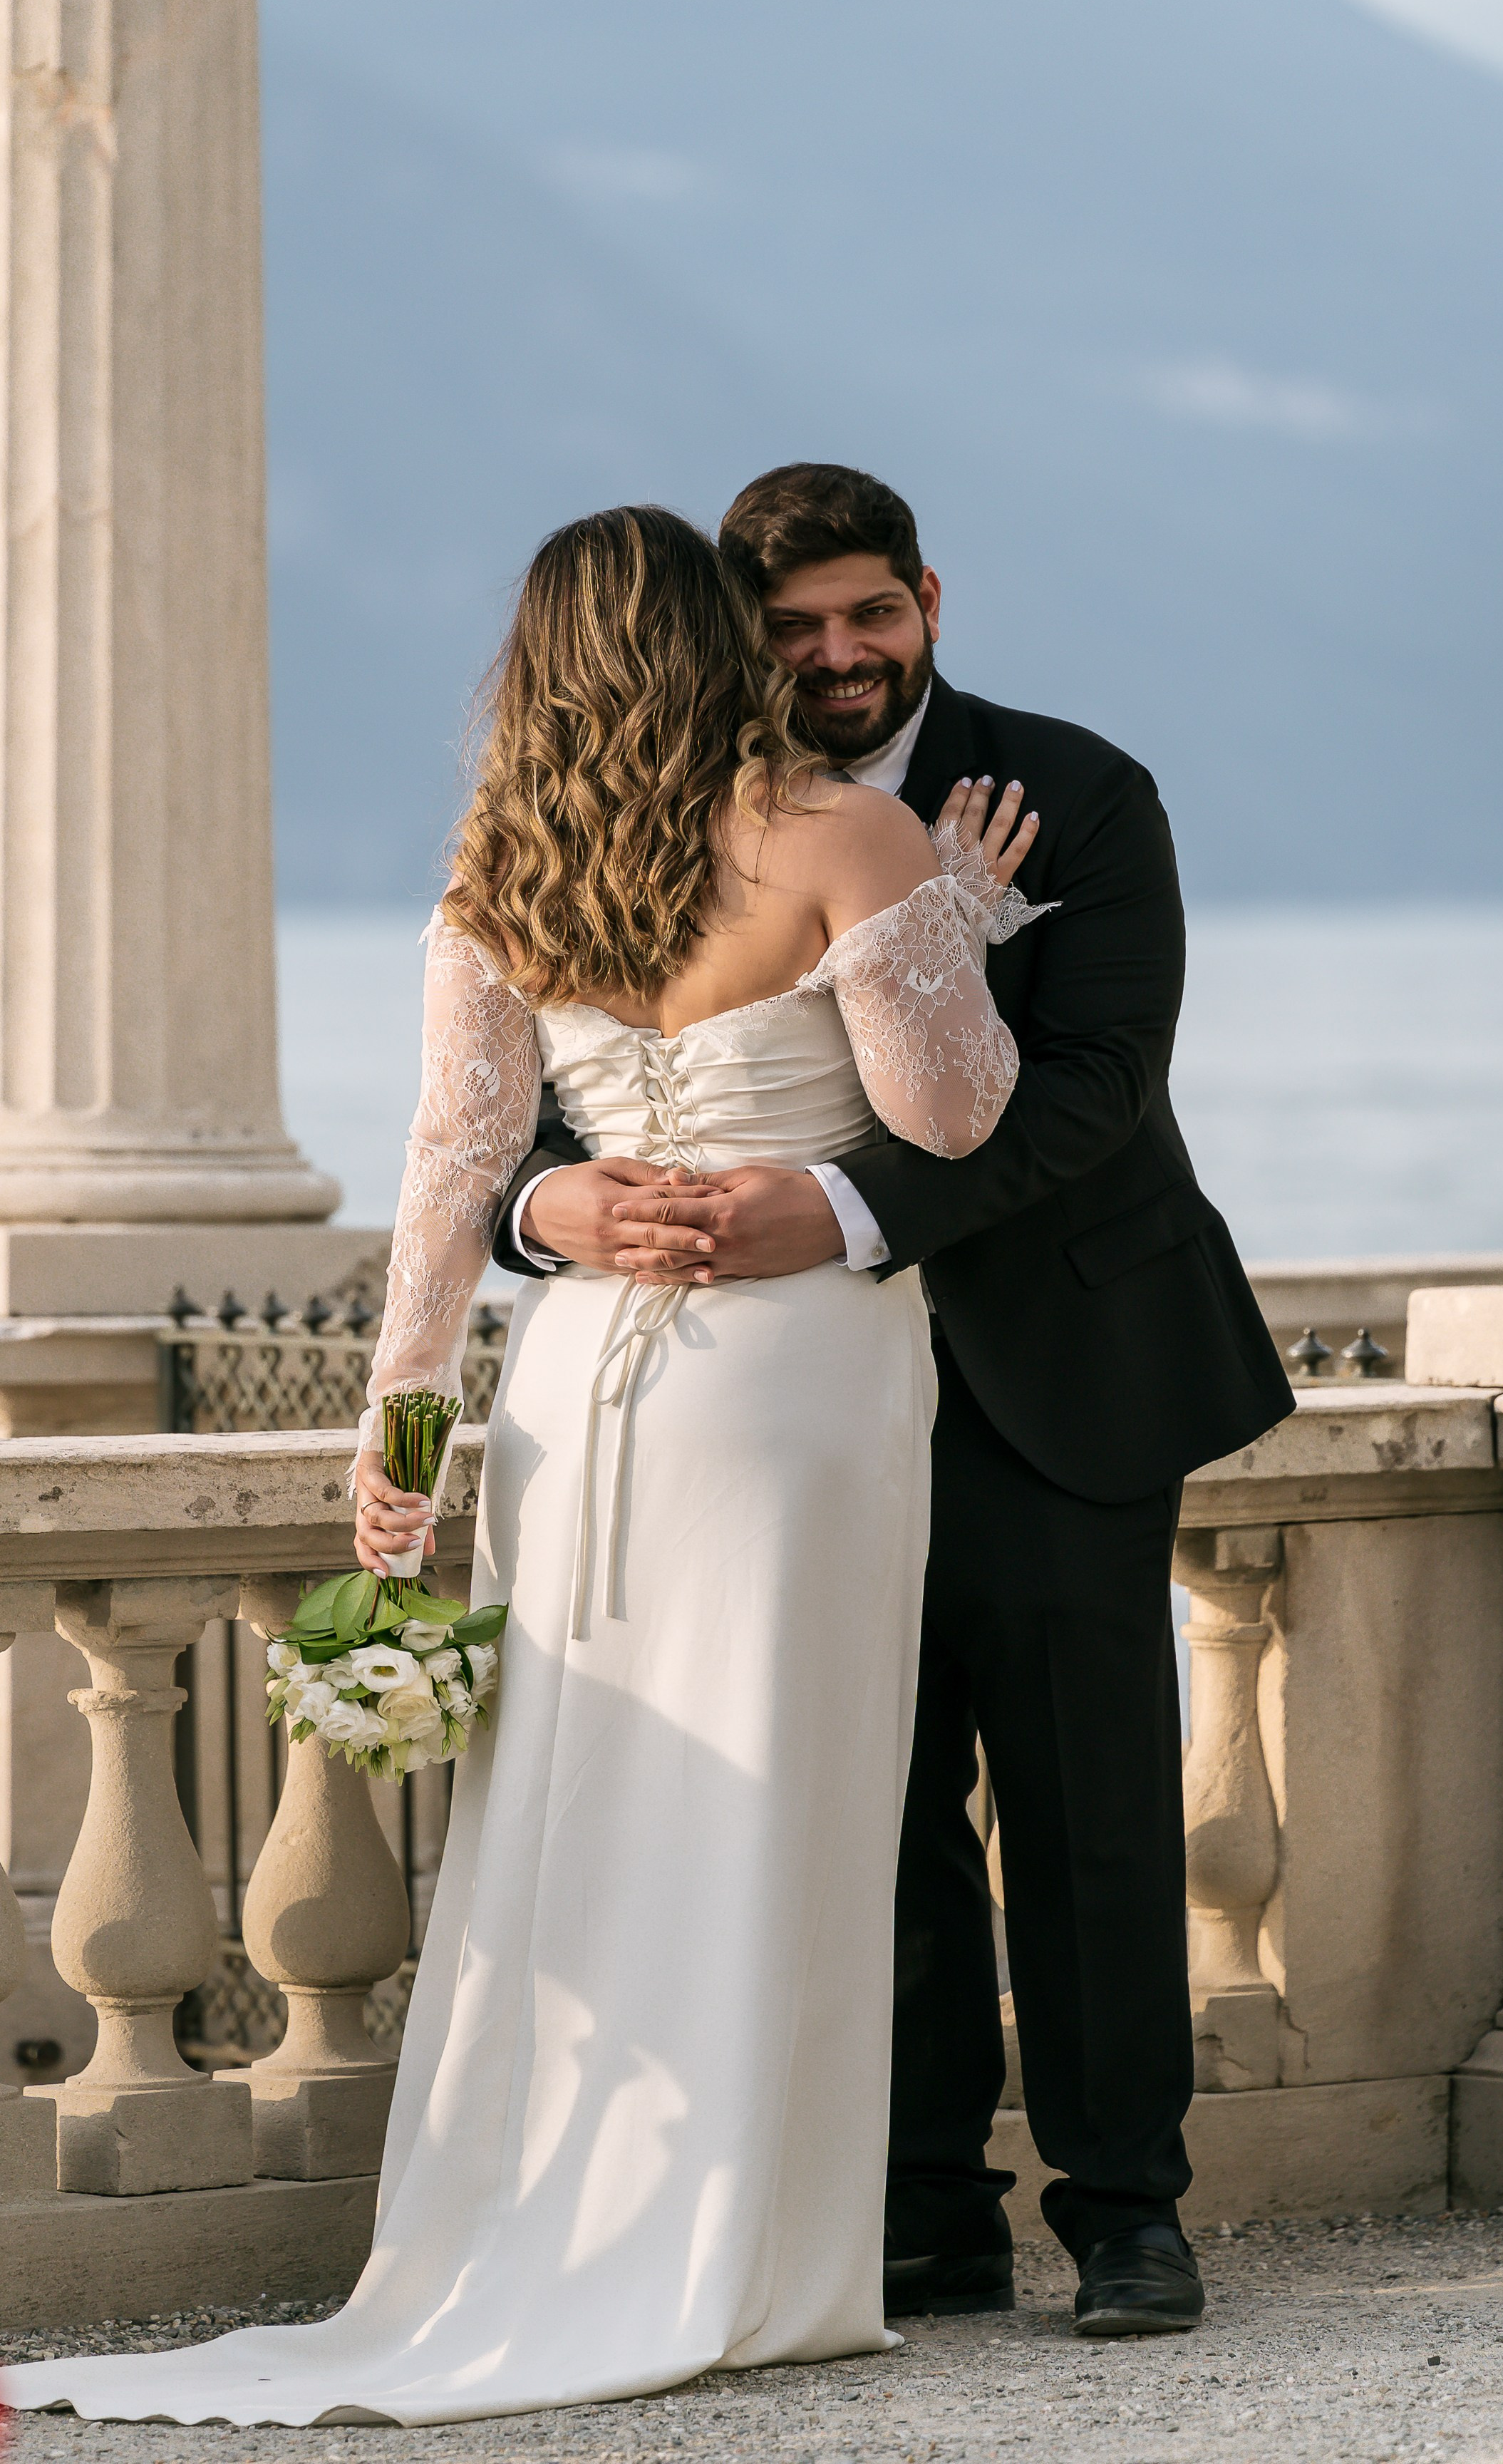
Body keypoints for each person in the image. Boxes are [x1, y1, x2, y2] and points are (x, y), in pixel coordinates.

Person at [0, 504, 1044, 2426]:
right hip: (789, 1385)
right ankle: (747, 2255)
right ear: (720, 639)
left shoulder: (506, 870)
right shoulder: (852, 836)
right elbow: (953, 1119)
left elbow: (452, 1174)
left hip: (571, 1389)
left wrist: (401, 1442)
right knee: (788, 1800)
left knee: (581, 1800)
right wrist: (954, 916)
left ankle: (570, 2220)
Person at [495, 464, 1295, 2341]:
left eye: (872, 612)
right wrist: (548, 1211)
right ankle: (923, 2209)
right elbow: (548, 1097)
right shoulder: (659, 810)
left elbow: (1097, 1083)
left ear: (929, 598)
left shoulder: (1078, 789)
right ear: (733, 637)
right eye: (793, 628)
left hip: (1052, 1378)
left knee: (1091, 1809)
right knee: (868, 1803)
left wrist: (843, 1212)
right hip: (782, 1411)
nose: (840, 654)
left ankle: (1127, 2215)